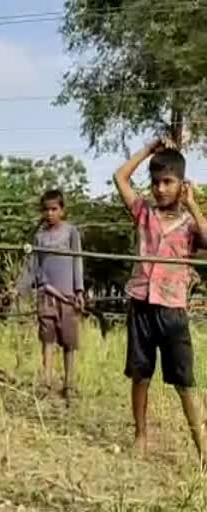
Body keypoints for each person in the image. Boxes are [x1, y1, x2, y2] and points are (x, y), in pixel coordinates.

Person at [113, 136, 207, 463]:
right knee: (140, 375)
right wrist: (149, 149)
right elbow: (120, 177)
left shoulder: (190, 225)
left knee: (185, 381)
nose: (160, 189)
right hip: (140, 304)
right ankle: (140, 436)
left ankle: (203, 448)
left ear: (182, 184)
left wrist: (194, 204)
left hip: (172, 311)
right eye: (155, 183)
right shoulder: (143, 214)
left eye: (168, 182)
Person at [17, 189, 84, 399]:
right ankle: (46, 382)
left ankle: (69, 383)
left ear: (63, 210)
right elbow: (33, 266)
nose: (50, 214)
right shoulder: (39, 236)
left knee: (69, 341)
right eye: (46, 210)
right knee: (47, 338)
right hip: (46, 294)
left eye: (54, 209)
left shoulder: (71, 232)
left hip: (68, 295)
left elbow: (77, 260)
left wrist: (79, 290)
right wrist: (20, 289)